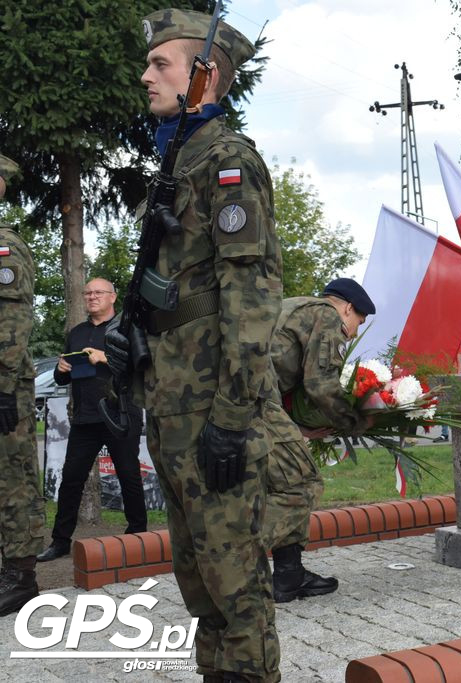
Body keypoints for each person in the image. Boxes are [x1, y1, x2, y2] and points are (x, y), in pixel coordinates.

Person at [108, 10, 281, 680]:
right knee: (202, 589)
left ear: (203, 76)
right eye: (148, 64)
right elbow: (180, 293)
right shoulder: (178, 162)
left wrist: (234, 419)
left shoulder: (228, 163)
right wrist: (135, 340)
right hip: (176, 413)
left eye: (162, 64)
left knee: (238, 593)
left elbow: (252, 295)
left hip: (215, 415)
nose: (146, 75)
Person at [264, 278, 374, 603]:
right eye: (358, 323)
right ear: (347, 308)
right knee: (301, 483)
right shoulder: (327, 316)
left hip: (243, 399)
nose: (352, 332)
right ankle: (229, 560)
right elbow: (321, 385)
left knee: (278, 482)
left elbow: (280, 370)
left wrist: (299, 427)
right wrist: (357, 422)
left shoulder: (294, 305)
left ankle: (289, 576)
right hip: (250, 400)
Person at [37, 279, 147, 562]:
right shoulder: (77, 332)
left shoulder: (127, 328)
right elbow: (66, 377)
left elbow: (142, 367)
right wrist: (62, 369)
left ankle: (139, 534)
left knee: (129, 476)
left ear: (113, 296)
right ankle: (60, 541)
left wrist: (106, 358)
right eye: (87, 293)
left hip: (120, 413)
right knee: (71, 480)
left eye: (98, 292)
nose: (91, 297)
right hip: (85, 418)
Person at [0, 153, 47, 616]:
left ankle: (20, 575)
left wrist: (2, 384)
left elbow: (13, 321)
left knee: (12, 478)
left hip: (5, 385)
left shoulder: (6, 247)